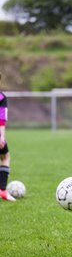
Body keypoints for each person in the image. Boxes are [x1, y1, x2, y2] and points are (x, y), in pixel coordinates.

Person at [0, 73, 15, 201]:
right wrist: (2, 137)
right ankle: (3, 190)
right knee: (5, 157)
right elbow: (1, 120)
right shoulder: (1, 97)